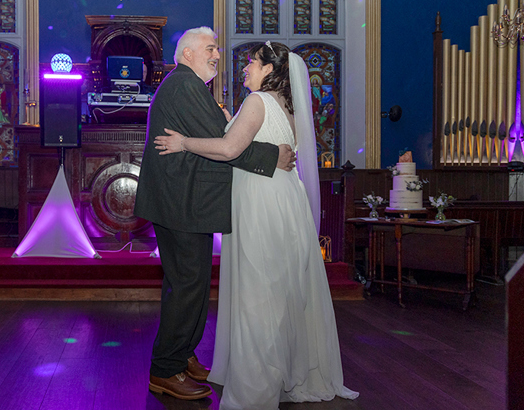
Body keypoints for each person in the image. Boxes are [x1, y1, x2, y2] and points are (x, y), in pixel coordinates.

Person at [155, 41, 359, 409]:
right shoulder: (289, 107)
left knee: (259, 291)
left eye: (252, 61)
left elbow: (230, 148)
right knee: (280, 289)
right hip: (283, 201)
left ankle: (257, 383)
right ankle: (284, 370)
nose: (245, 66)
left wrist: (183, 142)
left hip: (260, 203)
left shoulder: (257, 102)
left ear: (268, 70)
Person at [134, 27, 296, 401]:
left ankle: (183, 354)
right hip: (182, 203)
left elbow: (219, 136)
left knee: (189, 285)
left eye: (217, 50)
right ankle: (165, 370)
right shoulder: (185, 85)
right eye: (210, 49)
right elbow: (227, 146)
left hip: (186, 202)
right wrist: (275, 157)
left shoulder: (188, 85)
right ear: (187, 53)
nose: (217, 56)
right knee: (187, 287)